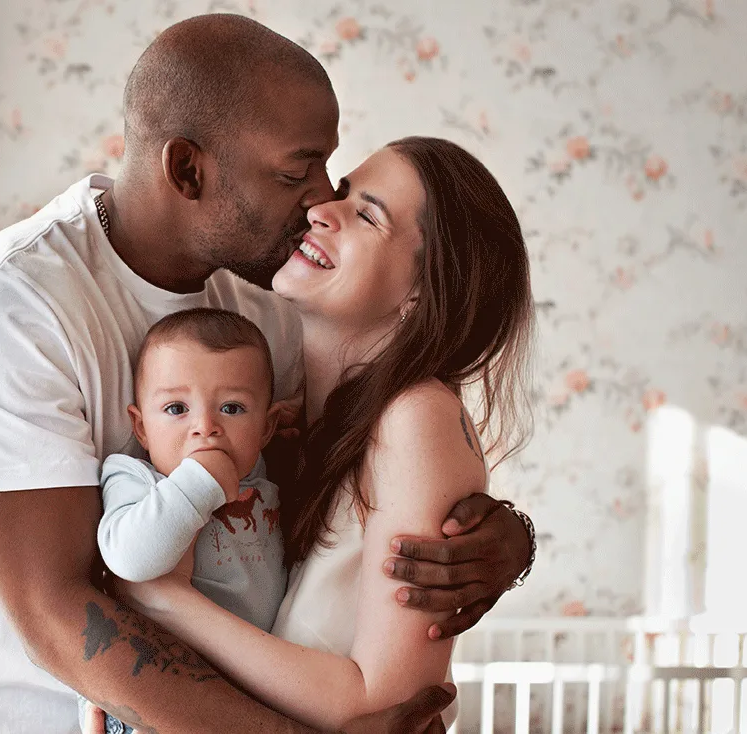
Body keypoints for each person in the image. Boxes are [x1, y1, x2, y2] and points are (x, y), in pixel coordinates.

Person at [0, 14, 536, 733]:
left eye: (333, 171)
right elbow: (59, 616)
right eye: (297, 172)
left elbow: (368, 468)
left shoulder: (269, 304)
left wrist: (504, 537)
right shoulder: (14, 303)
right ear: (187, 170)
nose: (319, 201)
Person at [110, 137, 536, 732]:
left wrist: (166, 602)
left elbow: (387, 702)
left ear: (422, 291)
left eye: (365, 215)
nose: (319, 210)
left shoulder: (416, 418)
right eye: (340, 194)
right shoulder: (277, 393)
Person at [87, 308, 290, 734]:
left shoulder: (268, 479)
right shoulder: (136, 478)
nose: (205, 428)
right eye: (177, 408)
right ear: (141, 428)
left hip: (249, 695)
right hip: (158, 700)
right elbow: (130, 560)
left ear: (268, 428)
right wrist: (201, 482)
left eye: (232, 408)